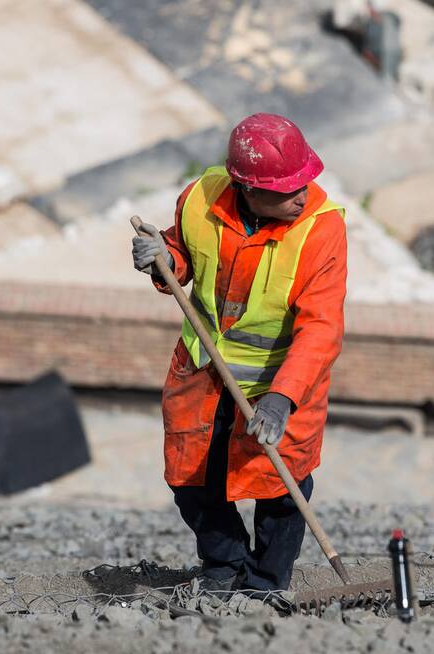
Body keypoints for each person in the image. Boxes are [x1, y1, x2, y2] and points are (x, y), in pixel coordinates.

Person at [130, 113, 347, 592]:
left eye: (305, 181)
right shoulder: (199, 201)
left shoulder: (321, 230)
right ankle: (224, 567)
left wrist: (282, 397)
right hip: (203, 372)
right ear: (247, 188)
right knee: (192, 478)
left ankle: (266, 582)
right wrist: (164, 260)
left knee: (282, 487)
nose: (302, 194)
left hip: (283, 380)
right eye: (287, 188)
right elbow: (181, 255)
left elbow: (321, 327)